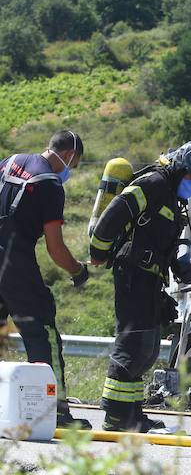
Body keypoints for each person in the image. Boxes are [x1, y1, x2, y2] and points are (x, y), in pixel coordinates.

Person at [89, 140, 191, 432]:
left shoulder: (172, 197)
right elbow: (117, 211)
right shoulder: (153, 184)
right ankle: (114, 415)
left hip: (149, 277)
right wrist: (98, 251)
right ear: (180, 169)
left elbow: (167, 240)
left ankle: (132, 414)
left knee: (146, 349)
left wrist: (181, 266)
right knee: (132, 345)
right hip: (132, 273)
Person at [0, 131, 91, 429]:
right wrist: (77, 270)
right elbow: (55, 247)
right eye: (73, 165)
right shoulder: (50, 184)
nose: (70, 172)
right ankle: (57, 410)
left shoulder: (11, 161)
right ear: (68, 155)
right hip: (14, 262)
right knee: (43, 333)